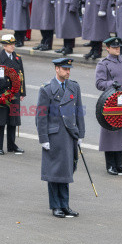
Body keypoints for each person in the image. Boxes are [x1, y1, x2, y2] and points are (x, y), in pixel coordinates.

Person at [35, 57, 85, 218]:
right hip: (54, 135)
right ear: (57, 69)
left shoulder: (74, 87)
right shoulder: (47, 89)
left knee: (66, 171)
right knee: (54, 172)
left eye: (69, 69)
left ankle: (65, 205)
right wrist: (43, 138)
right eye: (65, 69)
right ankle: (56, 206)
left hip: (69, 134)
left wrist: (80, 134)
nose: (68, 71)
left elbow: (79, 112)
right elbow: (41, 116)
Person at [95, 37, 122, 175]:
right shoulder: (103, 64)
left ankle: (119, 165)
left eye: (118, 47)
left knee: (121, 133)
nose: (117, 49)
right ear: (107, 48)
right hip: (110, 102)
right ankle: (110, 165)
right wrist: (111, 84)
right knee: (110, 134)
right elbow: (99, 83)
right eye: (114, 47)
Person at [0, 34, 26, 155]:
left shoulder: (17, 58)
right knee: (0, 121)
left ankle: (12, 145)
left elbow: (21, 76)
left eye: (13, 44)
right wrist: (0, 74)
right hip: (1, 92)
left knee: (13, 121)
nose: (13, 46)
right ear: (4, 46)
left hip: (14, 93)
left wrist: (22, 92)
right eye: (10, 44)